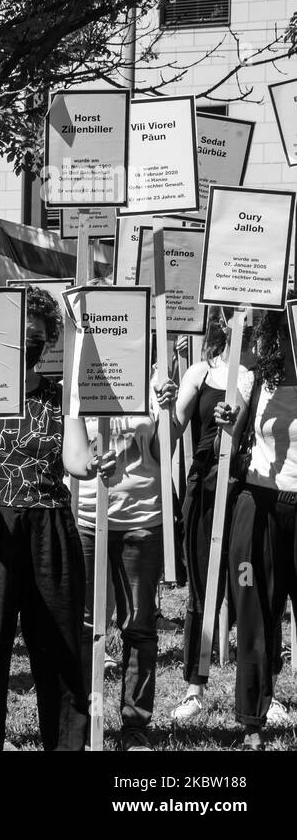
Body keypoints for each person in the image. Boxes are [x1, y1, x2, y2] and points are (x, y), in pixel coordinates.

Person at [0, 284, 88, 751]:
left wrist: (95, 466)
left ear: (47, 343)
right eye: (20, 335)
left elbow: (76, 459)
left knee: (60, 649)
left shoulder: (62, 395)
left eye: (37, 337)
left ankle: (67, 743)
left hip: (50, 528)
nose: (28, 345)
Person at [63, 359, 178, 750]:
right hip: (90, 521)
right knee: (85, 627)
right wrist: (91, 465)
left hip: (143, 519)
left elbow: (163, 452)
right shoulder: (79, 381)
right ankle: (85, 720)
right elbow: (73, 454)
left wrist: (168, 414)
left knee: (139, 626)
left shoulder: (151, 383)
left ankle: (134, 726)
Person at [171, 307, 256, 722]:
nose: (247, 321)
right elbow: (174, 424)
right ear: (222, 321)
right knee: (204, 592)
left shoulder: (264, 377)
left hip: (248, 497)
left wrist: (237, 413)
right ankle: (194, 686)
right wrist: (162, 401)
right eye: (239, 314)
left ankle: (263, 692)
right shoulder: (200, 373)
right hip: (204, 493)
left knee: (253, 591)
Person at [222, 300, 297, 749]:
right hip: (260, 508)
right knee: (254, 610)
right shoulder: (254, 376)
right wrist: (226, 423)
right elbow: (226, 441)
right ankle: (253, 723)